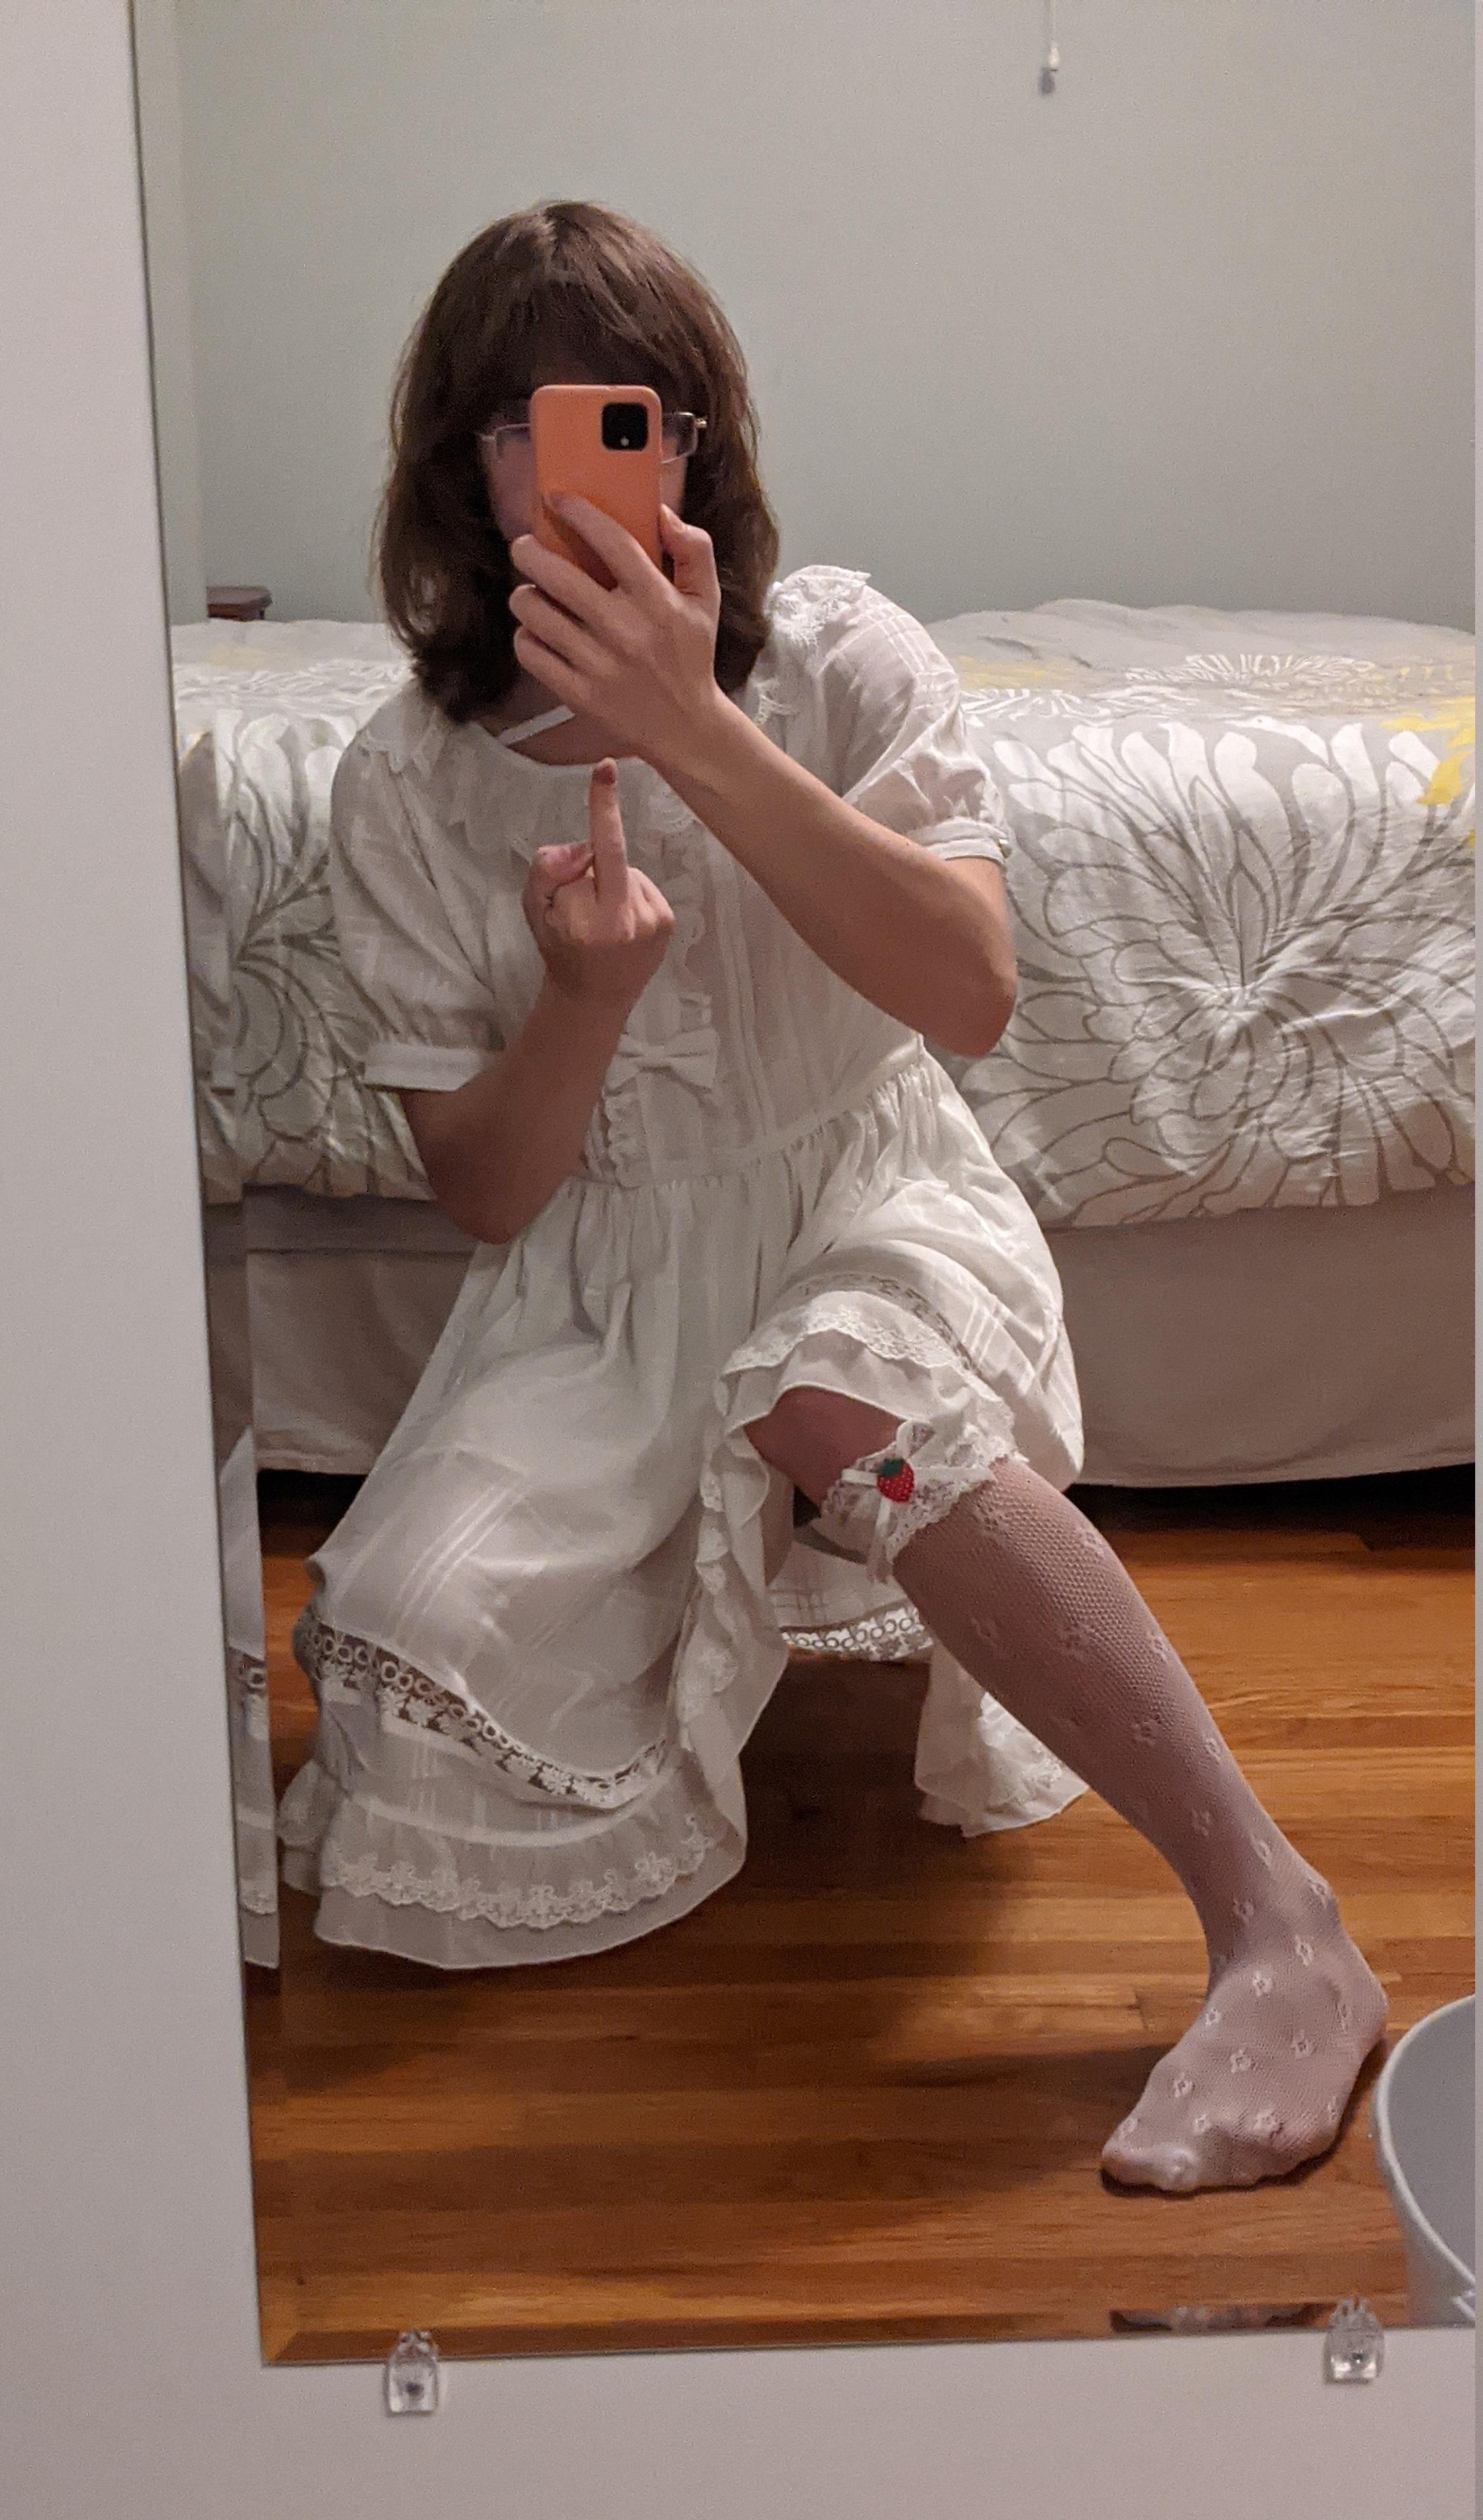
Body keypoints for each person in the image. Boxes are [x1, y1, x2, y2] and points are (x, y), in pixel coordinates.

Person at [282, 199, 1385, 2193]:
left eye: (634, 419)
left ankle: (1276, 1922)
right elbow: (492, 1196)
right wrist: (583, 1003)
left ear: (699, 442)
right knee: (408, 1646)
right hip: (604, 1282)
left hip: (865, 1198)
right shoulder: (405, 782)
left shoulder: (839, 660)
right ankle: (692, 1646)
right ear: (457, 461)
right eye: (526, 426)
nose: (582, 469)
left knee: (841, 1400)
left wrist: (689, 728)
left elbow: (965, 996)